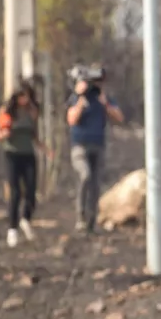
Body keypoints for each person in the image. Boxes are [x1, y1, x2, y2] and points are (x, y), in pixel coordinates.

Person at [65, 64, 123, 233]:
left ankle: (91, 222)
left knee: (96, 185)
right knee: (85, 176)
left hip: (98, 145)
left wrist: (106, 105)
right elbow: (71, 119)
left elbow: (119, 117)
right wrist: (80, 97)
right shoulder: (77, 97)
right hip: (80, 146)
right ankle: (80, 217)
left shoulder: (103, 97)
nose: (96, 84)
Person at [0, 81, 46, 248]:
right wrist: (4, 133)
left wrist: (44, 148)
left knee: (31, 190)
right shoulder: (7, 111)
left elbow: (33, 133)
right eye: (22, 96)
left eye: (28, 96)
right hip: (12, 154)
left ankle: (26, 219)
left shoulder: (32, 111)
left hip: (28, 153)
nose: (25, 100)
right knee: (15, 192)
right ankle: (12, 229)